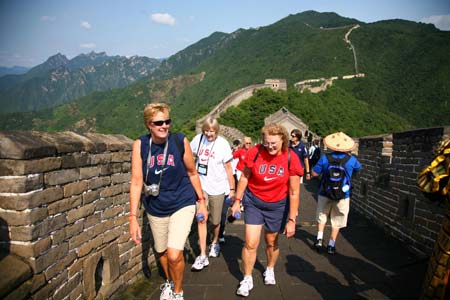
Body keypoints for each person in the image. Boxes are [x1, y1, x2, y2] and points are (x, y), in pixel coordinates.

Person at [129, 103, 206, 300]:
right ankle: (170, 283)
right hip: (155, 206)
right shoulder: (140, 145)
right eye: (159, 122)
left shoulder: (179, 141)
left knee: (173, 254)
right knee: (162, 252)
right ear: (149, 125)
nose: (164, 126)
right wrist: (132, 217)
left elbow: (192, 172)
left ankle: (178, 292)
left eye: (167, 121)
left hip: (182, 201)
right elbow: (137, 182)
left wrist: (202, 202)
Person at [230, 123, 303, 297]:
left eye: (274, 143)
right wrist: (237, 200)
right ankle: (247, 278)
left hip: (278, 205)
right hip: (254, 201)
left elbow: (294, 192)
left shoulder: (290, 158)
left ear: (283, 140)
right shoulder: (255, 152)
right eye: (266, 143)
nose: (269, 147)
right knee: (250, 242)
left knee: (271, 242)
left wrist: (292, 220)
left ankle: (269, 268)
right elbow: (245, 177)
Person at [190, 117, 235, 271]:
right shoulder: (198, 139)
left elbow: (229, 168)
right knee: (201, 219)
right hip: (201, 186)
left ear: (217, 131)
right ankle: (203, 255)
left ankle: (215, 241)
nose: (209, 134)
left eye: (212, 131)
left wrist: (232, 189)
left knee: (215, 222)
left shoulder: (223, 144)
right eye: (207, 131)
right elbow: (189, 156)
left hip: (218, 187)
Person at [311, 131, 361, 255]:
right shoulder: (351, 160)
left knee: (322, 216)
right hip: (343, 195)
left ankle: (319, 239)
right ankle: (331, 245)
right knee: (337, 219)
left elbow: (314, 174)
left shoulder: (325, 158)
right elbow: (358, 169)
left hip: (324, 192)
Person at [218, 139, 243, 244]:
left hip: (227, 189)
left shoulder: (231, 161)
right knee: (215, 215)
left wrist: (233, 191)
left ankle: (220, 233)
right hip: (214, 189)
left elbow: (234, 177)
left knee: (223, 213)